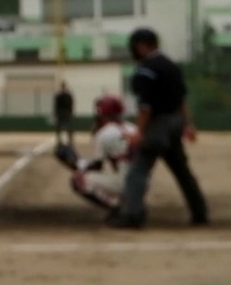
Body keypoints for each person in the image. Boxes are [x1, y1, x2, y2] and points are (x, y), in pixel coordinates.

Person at [107, 28, 208, 229]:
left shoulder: (147, 69)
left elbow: (146, 107)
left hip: (157, 124)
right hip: (175, 123)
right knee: (182, 171)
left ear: (142, 46)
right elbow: (181, 100)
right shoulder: (172, 66)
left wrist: (139, 131)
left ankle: (132, 215)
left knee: (137, 170)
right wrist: (188, 124)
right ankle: (200, 213)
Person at [54, 95, 137, 221]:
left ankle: (119, 208)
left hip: (124, 182)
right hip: (142, 181)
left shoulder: (104, 133)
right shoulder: (134, 128)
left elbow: (96, 167)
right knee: (118, 167)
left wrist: (72, 162)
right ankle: (133, 202)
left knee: (78, 179)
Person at [53, 82, 75, 146]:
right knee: (66, 127)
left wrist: (56, 113)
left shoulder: (59, 95)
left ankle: (62, 141)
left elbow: (56, 105)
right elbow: (71, 105)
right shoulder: (67, 95)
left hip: (62, 113)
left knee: (62, 127)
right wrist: (71, 112)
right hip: (65, 113)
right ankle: (67, 141)